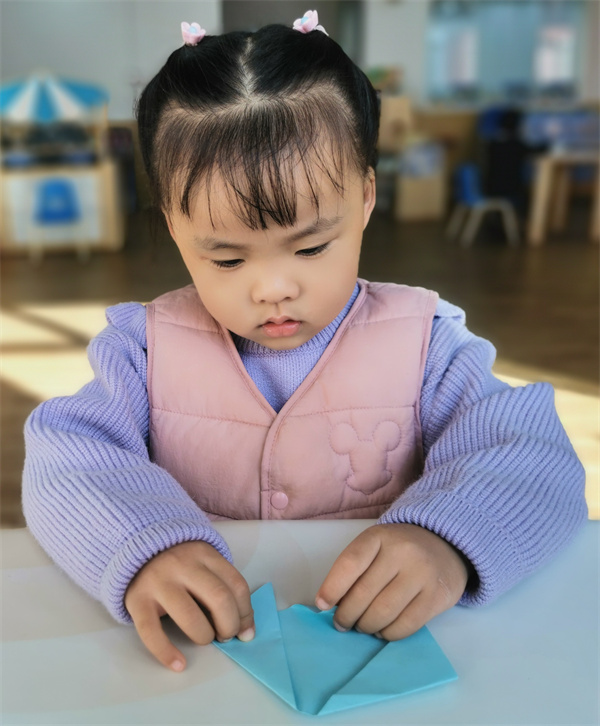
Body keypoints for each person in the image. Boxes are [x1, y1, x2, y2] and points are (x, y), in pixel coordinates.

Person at [22, 11, 587, 675]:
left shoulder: (426, 344)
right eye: (227, 259)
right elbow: (66, 459)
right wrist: (142, 544)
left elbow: (532, 454)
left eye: (312, 247)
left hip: (378, 663)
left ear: (366, 198)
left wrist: (448, 540)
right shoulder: (143, 350)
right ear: (174, 226)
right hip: (210, 664)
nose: (273, 289)